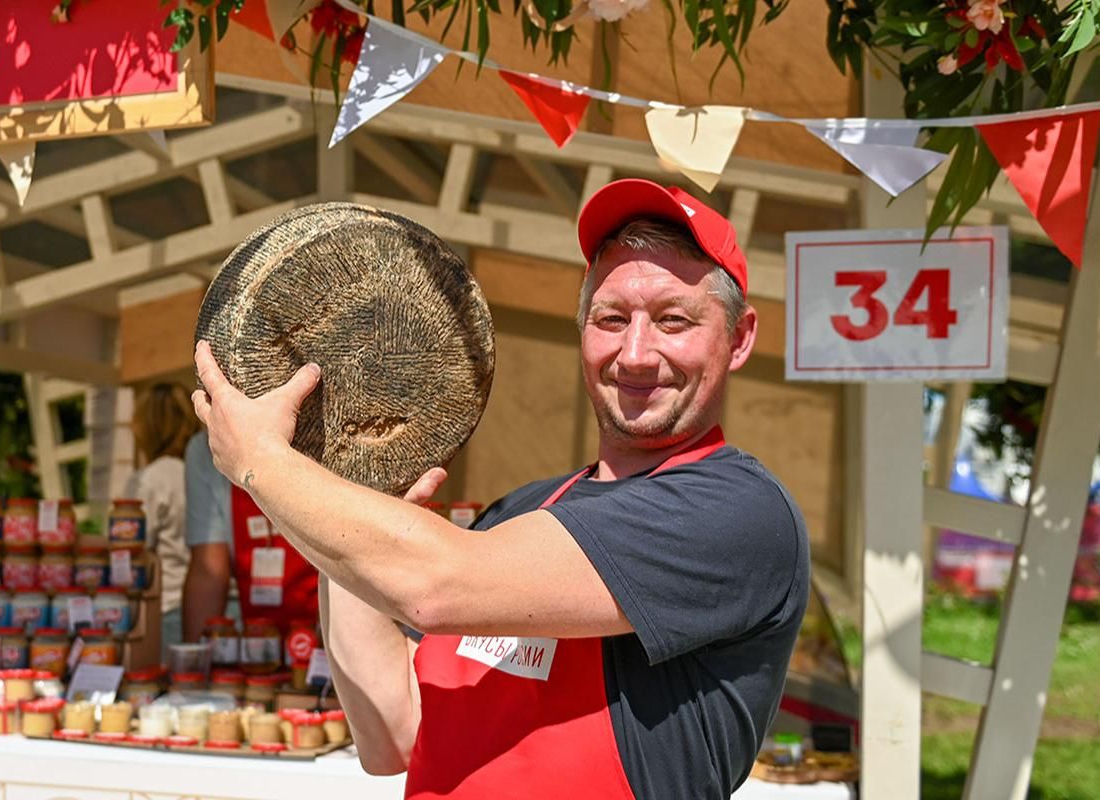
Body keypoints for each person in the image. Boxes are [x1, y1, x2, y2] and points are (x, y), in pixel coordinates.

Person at [191, 178, 810, 799]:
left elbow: (433, 586)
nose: (636, 354)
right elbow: (393, 735)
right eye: (612, 319)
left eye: (673, 320)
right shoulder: (522, 512)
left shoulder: (735, 512)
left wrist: (261, 462)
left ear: (739, 337)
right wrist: (349, 475)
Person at [181, 429, 322, 642]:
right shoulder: (208, 446)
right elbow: (209, 570)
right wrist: (197, 656)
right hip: (257, 636)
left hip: (329, 632)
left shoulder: (329, 436)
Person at [121, 383, 200, 649]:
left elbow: (130, 552)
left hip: (169, 608)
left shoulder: (149, 480)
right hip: (222, 607)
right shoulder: (211, 473)